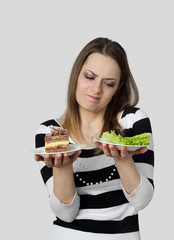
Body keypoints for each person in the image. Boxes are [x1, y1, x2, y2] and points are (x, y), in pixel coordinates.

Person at [34, 37, 154, 240]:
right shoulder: (52, 131)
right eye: (89, 77)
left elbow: (141, 200)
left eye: (108, 83)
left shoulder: (132, 121)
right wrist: (62, 166)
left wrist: (122, 157)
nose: (96, 90)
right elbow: (66, 213)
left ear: (118, 87)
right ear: (77, 74)